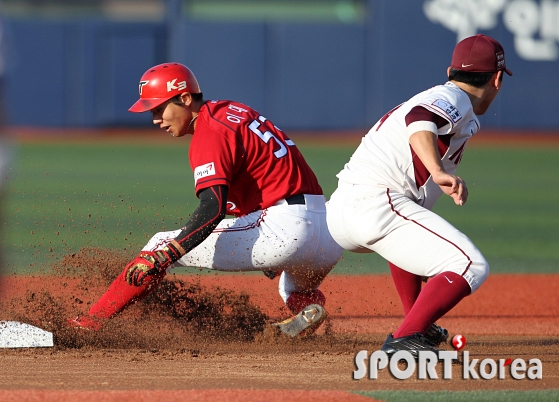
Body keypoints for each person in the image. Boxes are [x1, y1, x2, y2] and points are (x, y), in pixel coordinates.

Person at [68, 62, 343, 336]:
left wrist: (170, 254)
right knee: (292, 288)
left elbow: (213, 208)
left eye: (159, 108)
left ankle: (91, 323)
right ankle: (308, 307)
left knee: (159, 244)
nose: (155, 118)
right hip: (326, 235)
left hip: (286, 228)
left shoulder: (209, 132)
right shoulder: (232, 110)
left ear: (185, 98)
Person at [326, 34, 512, 357]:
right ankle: (405, 338)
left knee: (411, 224)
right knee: (471, 265)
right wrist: (438, 171)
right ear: (497, 78)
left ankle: (417, 325)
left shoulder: (448, 97)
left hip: (345, 210)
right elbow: (419, 119)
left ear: (451, 70)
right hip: (373, 203)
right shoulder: (454, 98)